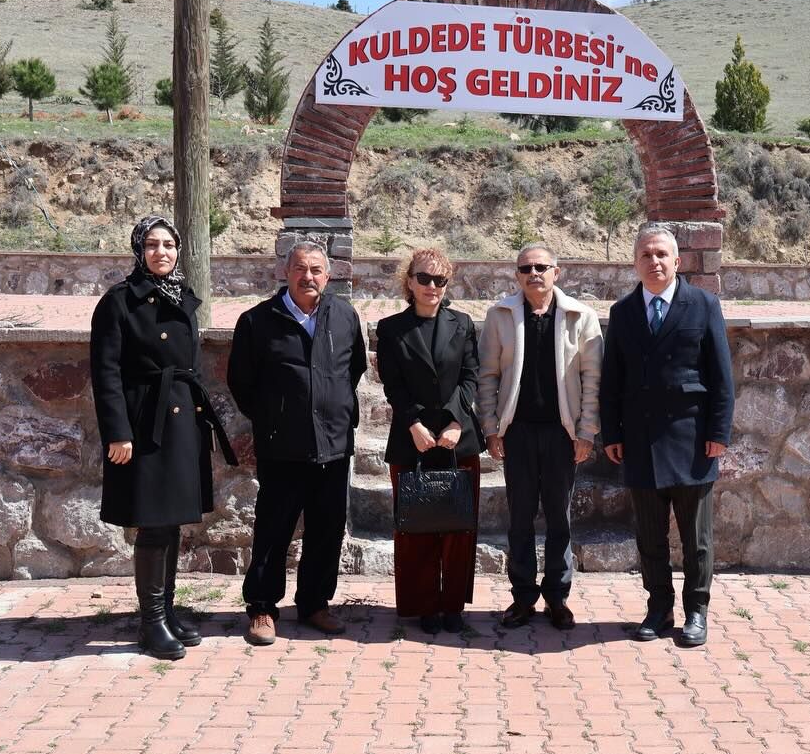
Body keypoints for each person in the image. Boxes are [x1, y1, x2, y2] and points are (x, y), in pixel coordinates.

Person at [90, 214, 237, 660]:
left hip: (181, 422)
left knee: (171, 520)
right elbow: (106, 373)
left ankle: (166, 612)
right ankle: (150, 622)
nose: (161, 252)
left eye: (169, 245)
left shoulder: (182, 296)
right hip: (143, 423)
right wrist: (118, 432)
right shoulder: (118, 302)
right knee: (153, 522)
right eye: (152, 245)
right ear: (139, 250)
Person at [226, 241, 367, 646]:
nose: (309, 277)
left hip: (333, 443)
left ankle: (315, 604)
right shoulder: (257, 321)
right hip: (281, 447)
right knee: (274, 529)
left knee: (327, 529)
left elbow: (353, 369)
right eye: (301, 269)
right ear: (285, 273)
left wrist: (337, 411)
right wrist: (274, 418)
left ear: (329, 275)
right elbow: (241, 382)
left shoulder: (344, 316)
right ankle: (262, 607)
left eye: (316, 270)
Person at [599, 225, 734, 648]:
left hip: (692, 438)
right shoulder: (623, 312)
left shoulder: (703, 305)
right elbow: (612, 380)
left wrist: (718, 432)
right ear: (635, 263)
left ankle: (696, 610)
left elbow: (721, 376)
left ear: (677, 261)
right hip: (640, 440)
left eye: (661, 254)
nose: (653, 261)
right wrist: (612, 432)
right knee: (650, 537)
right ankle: (659, 608)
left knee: (697, 539)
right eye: (645, 255)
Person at [478, 243, 602, 630]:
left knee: (559, 517)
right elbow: (487, 377)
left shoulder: (581, 317)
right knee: (519, 517)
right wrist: (491, 428)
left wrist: (585, 432)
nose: (533, 273)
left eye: (541, 267)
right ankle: (522, 598)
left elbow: (592, 380)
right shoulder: (500, 316)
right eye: (526, 268)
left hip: (562, 434)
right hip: (517, 433)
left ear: (556, 272)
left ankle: (557, 598)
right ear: (517, 275)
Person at [375, 248, 484, 634]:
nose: (432, 286)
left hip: (458, 440)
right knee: (415, 525)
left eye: (440, 280)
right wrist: (414, 424)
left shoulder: (463, 323)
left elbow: (471, 376)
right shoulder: (391, 329)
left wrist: (455, 421)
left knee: (458, 527)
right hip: (412, 440)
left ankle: (452, 604)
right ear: (409, 281)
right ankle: (424, 605)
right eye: (424, 278)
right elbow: (393, 384)